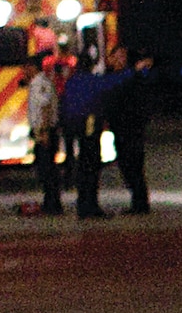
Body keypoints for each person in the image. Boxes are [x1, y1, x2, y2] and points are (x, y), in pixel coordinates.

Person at [103, 45, 155, 214]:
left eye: (123, 56)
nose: (120, 59)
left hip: (132, 127)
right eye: (116, 56)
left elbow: (144, 97)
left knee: (134, 164)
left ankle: (140, 203)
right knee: (125, 164)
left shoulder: (134, 77)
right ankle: (138, 200)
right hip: (118, 127)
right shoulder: (113, 76)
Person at [59, 49, 106, 218]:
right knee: (91, 167)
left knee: (81, 168)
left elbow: (65, 106)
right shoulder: (93, 81)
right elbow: (102, 99)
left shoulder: (71, 82)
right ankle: (91, 206)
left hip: (74, 130)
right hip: (90, 129)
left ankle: (82, 204)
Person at [27, 55, 62, 215]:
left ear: (32, 67)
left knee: (47, 170)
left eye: (26, 67)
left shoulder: (39, 83)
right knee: (46, 169)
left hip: (45, 132)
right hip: (43, 131)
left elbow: (45, 106)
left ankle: (52, 204)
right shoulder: (39, 82)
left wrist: (45, 131)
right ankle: (51, 203)